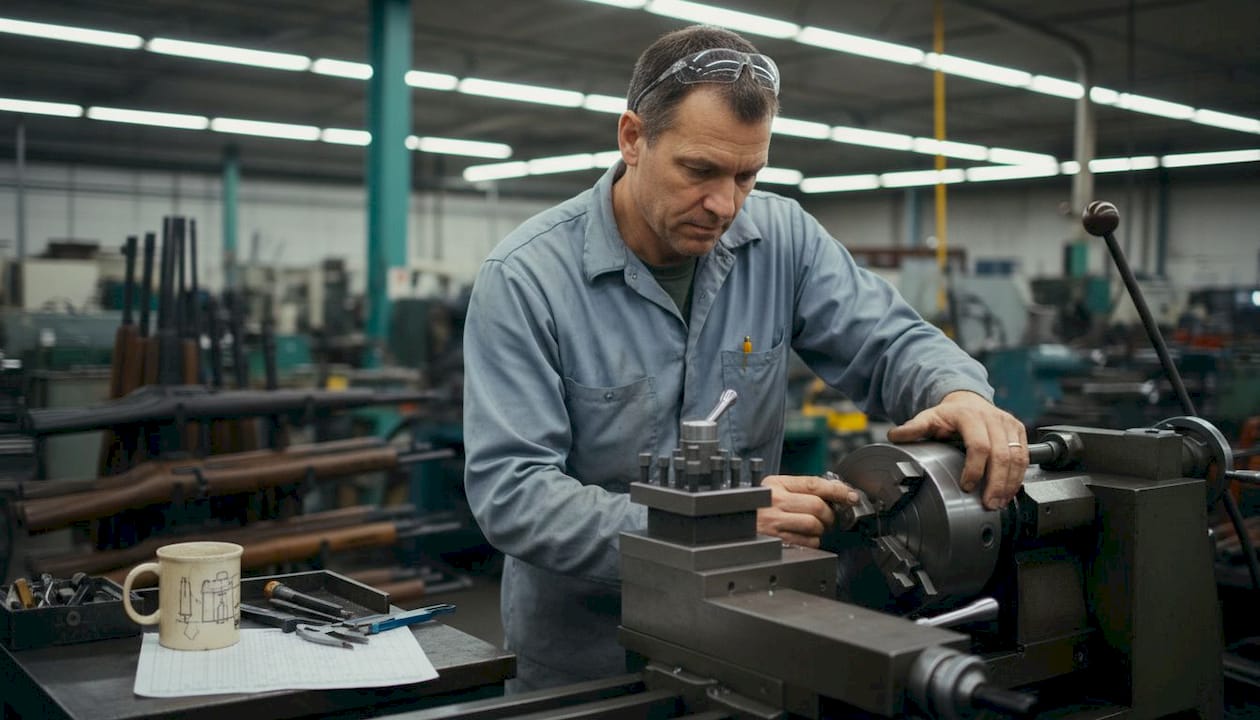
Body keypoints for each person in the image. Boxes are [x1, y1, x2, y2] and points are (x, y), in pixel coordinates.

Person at [463, 24, 1028, 691]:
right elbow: (514, 494)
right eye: (699, 171)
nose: (724, 204)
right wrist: (710, 527)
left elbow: (890, 342)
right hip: (586, 658)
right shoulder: (526, 279)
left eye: (747, 176)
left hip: (746, 636)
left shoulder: (782, 239)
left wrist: (957, 390)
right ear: (633, 138)